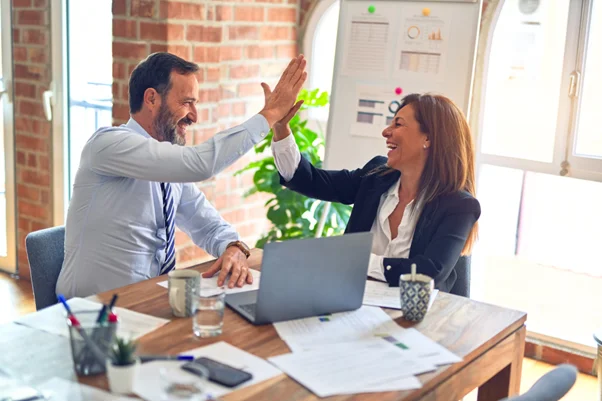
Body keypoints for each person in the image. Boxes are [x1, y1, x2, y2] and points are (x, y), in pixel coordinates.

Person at [56, 52, 306, 298]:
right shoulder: (108, 145)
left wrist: (233, 246)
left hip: (147, 303)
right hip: (91, 313)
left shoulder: (167, 168)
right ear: (152, 99)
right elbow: (200, 164)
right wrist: (270, 114)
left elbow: (207, 224)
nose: (194, 116)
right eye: (187, 102)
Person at [271, 93, 480, 295]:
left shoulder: (459, 206)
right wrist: (281, 128)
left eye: (398, 124)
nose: (386, 132)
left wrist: (356, 260)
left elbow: (428, 272)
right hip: (352, 302)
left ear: (428, 138)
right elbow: (309, 180)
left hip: (417, 318)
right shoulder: (376, 176)